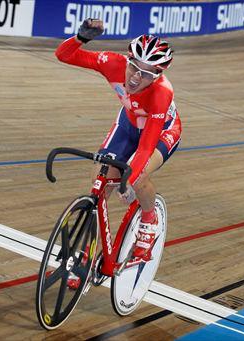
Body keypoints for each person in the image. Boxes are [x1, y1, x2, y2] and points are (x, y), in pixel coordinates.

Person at [55, 19, 182, 261]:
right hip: (128, 124)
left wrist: (128, 180)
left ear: (158, 76)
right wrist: (80, 38)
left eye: (147, 74)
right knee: (99, 187)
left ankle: (148, 219)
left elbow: (146, 146)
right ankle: (86, 254)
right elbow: (64, 55)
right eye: (134, 67)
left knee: (139, 175)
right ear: (128, 59)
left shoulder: (161, 93)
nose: (136, 78)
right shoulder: (113, 63)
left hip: (161, 132)